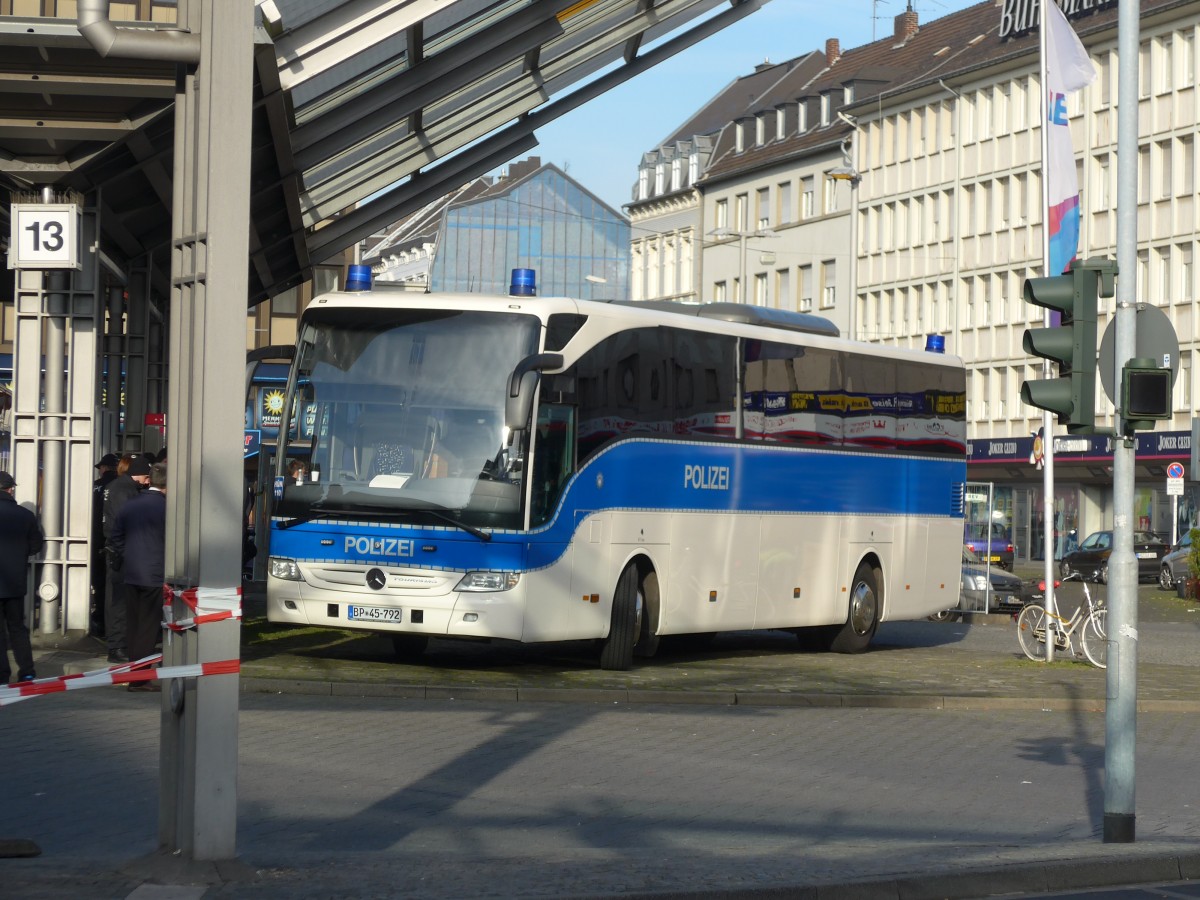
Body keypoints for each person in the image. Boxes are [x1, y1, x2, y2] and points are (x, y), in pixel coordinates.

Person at [109, 461, 166, 692]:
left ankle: (136, 674)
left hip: (132, 572)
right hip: (155, 574)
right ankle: (140, 679)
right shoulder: (167, 507)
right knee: (148, 628)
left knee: (133, 626)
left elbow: (116, 536)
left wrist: (129, 555)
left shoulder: (131, 505)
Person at [102, 454, 151, 663]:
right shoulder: (125, 490)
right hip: (122, 553)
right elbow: (126, 523)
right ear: (138, 474)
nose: (148, 481)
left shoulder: (116, 486)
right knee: (120, 602)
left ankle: (118, 643)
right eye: (146, 476)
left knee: (117, 600)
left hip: (117, 550)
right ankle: (117, 647)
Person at [0, 471, 45, 685]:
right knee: (17, 627)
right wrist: (19, 553)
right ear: (10, 489)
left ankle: (2, 674)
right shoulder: (25, 515)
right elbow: (36, 544)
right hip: (15, 582)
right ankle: (27, 671)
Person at [90, 453, 119, 638]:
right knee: (112, 585)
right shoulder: (118, 487)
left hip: (95, 539)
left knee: (99, 583)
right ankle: (110, 623)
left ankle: (99, 621)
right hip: (112, 541)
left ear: (103, 468)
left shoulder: (95, 486)